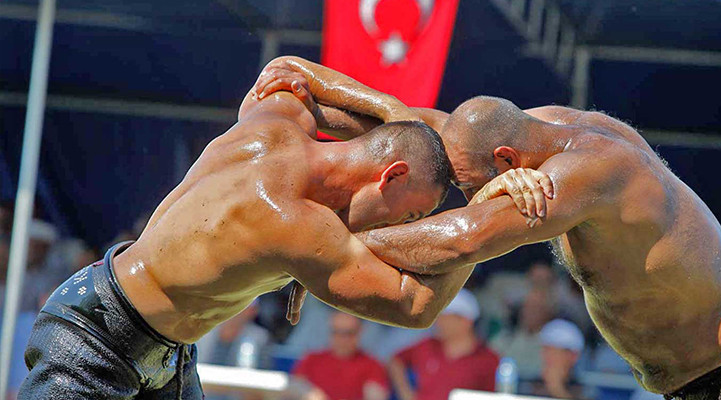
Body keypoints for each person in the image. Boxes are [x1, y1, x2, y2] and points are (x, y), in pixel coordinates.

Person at [259, 58, 721, 399]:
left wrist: (313, 250)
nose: (474, 195)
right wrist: (304, 83)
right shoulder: (529, 131)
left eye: (478, 186)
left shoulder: (591, 168)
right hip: (695, 383)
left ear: (508, 161)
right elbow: (411, 120)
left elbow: (463, 238)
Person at [19, 56, 490, 400]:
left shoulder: (274, 126)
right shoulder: (293, 220)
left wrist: (391, 110)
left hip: (163, 349)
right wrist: (486, 207)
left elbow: (288, 71)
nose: (405, 227)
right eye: (410, 214)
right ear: (392, 176)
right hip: (96, 336)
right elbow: (414, 304)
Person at [388, 290, 499, 400]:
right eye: (438, 317)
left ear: (466, 321)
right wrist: (407, 394)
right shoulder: (426, 345)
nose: (438, 322)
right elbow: (396, 360)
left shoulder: (488, 360)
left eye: (446, 317)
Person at [294, 312, 390, 400]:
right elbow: (294, 391)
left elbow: (375, 396)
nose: (342, 339)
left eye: (349, 333)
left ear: (359, 333)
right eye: (337, 332)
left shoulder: (372, 366)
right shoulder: (311, 359)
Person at [490, 288, 553, 380]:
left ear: (547, 313)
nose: (531, 312)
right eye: (528, 307)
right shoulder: (505, 339)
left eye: (537, 308)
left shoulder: (553, 345)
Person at [533, 319, 585, 399]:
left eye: (554, 352)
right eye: (545, 350)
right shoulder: (533, 383)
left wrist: (556, 389)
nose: (546, 356)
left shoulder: (585, 388)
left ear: (573, 356)